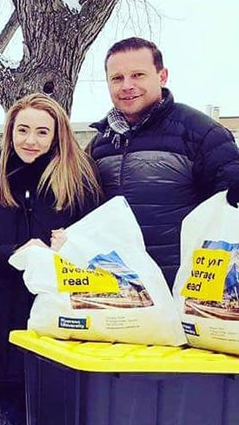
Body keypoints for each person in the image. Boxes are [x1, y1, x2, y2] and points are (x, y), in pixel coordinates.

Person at [0, 92, 102, 425]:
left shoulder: (79, 186)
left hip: (57, 332)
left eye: (41, 132)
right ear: (10, 132)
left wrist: (73, 247)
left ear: (57, 136)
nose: (30, 141)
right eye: (22, 130)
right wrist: (13, 253)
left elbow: (100, 252)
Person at [88, 37, 239, 285]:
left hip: (184, 287)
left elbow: (230, 212)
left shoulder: (201, 133)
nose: (127, 86)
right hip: (122, 288)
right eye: (117, 78)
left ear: (162, 76)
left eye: (138, 75)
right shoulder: (100, 144)